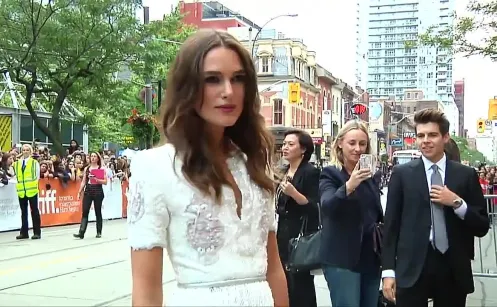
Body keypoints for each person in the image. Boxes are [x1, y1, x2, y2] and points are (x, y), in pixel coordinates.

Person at [127, 29, 288, 306]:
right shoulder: (156, 167)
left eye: (238, 79)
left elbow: (274, 269)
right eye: (212, 79)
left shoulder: (255, 164)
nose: (228, 91)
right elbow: (146, 288)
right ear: (188, 87)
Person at [382, 109, 489, 307]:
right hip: (412, 267)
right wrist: (388, 271)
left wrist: (458, 203)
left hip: (452, 268)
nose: (425, 140)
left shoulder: (465, 175)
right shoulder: (402, 174)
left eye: (432, 135)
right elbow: (390, 227)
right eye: (420, 135)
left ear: (445, 137)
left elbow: (482, 225)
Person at [318, 120, 383, 307]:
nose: (357, 149)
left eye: (362, 144)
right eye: (352, 143)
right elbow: (328, 206)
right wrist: (349, 185)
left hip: (371, 256)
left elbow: (376, 214)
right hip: (342, 258)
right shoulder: (330, 174)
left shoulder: (370, 176)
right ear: (340, 143)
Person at [276, 129, 320, 307]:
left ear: (303, 149)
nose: (285, 147)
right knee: (284, 280)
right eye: (284, 144)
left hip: (300, 235)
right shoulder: (283, 170)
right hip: (282, 233)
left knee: (300, 283)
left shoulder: (310, 172)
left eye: (290, 144)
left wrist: (294, 193)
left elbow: (315, 206)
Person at [74, 152, 107, 239]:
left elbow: (105, 181)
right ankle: (81, 232)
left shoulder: (101, 168)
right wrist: (79, 191)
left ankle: (99, 231)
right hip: (88, 190)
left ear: (98, 158)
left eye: (94, 156)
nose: (92, 158)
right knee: (85, 211)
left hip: (98, 190)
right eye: (91, 156)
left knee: (98, 211)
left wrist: (96, 179)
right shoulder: (87, 168)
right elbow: (84, 181)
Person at [13, 144, 41, 240]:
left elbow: (37, 176)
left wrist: (33, 185)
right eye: (24, 150)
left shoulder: (34, 163)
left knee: (34, 211)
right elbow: (14, 175)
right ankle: (24, 232)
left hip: (32, 189)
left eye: (27, 150)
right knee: (23, 212)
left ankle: (37, 232)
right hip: (21, 190)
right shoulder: (17, 163)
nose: (25, 151)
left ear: (30, 151)